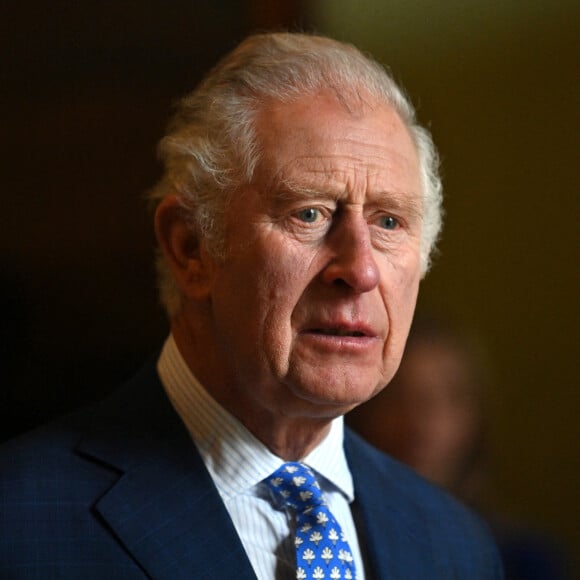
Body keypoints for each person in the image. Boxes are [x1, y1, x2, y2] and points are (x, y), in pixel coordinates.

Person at [0, 32, 503, 578]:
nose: (360, 270)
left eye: (388, 222)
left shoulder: (455, 544)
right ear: (191, 247)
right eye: (309, 213)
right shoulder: (19, 522)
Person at [348, 314, 572, 579]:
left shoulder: (523, 559)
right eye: (398, 397)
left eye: (450, 397)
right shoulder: (333, 544)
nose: (423, 424)